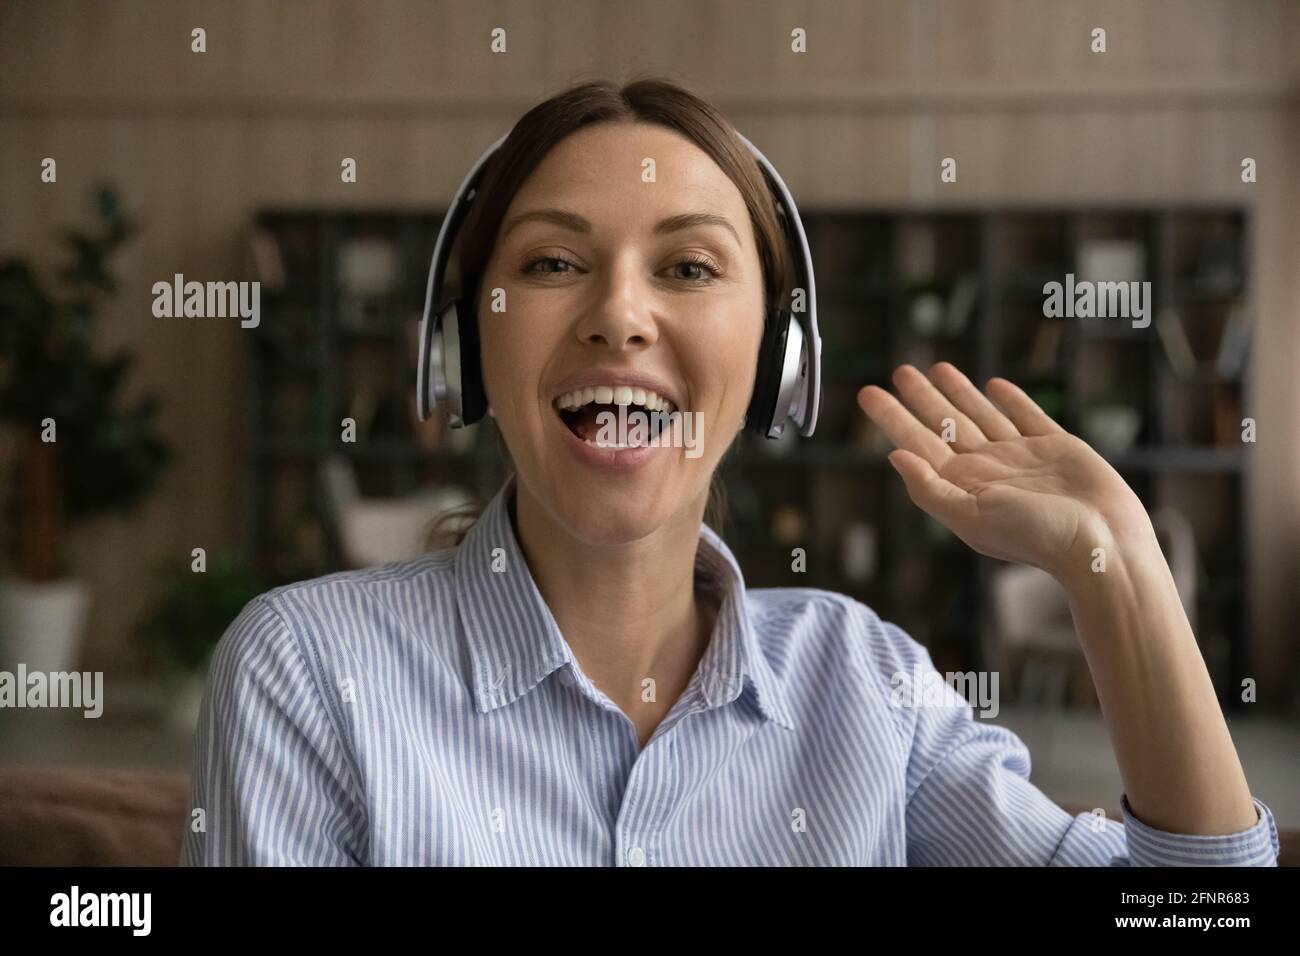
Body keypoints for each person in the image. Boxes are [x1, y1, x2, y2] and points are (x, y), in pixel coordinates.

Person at [181, 77, 1278, 866]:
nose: (618, 312)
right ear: (464, 347)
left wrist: (1117, 562)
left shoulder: (869, 688)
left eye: (689, 266)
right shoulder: (306, 673)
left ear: (775, 361)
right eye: (553, 262)